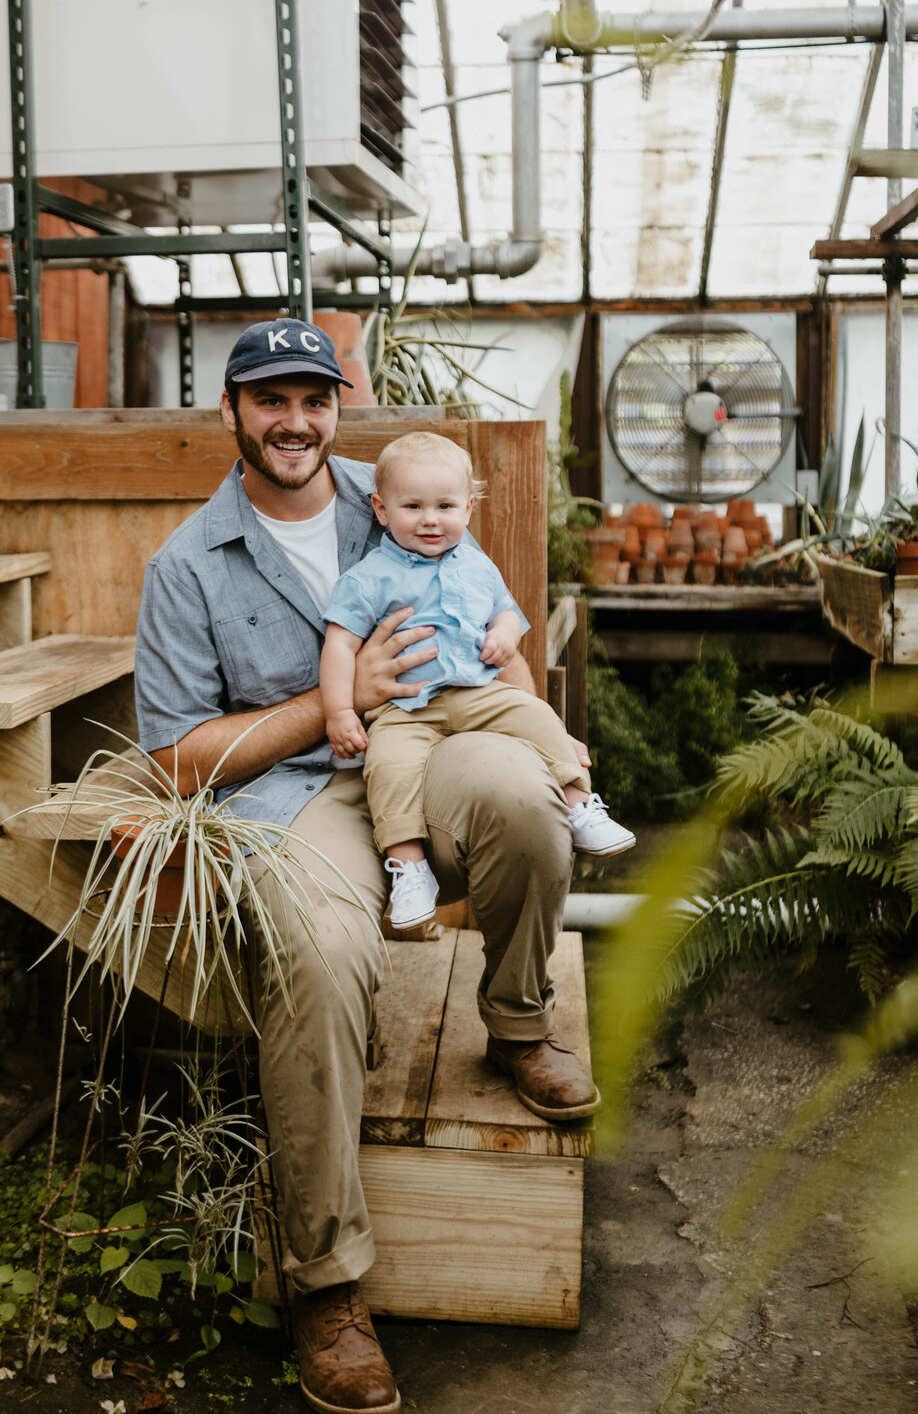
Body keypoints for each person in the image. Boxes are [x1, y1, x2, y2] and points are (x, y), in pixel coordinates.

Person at [134, 318, 600, 1414]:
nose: (295, 422)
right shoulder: (186, 566)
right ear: (234, 413)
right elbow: (175, 760)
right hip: (296, 798)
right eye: (270, 401)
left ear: (337, 407)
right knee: (316, 947)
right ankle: (328, 1283)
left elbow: (494, 619)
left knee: (529, 807)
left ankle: (519, 1026)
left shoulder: (396, 492)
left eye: (314, 399)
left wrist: (517, 684)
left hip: (434, 753)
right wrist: (329, 703)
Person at [319, 430, 635, 931]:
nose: (430, 519)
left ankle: (579, 805)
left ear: (467, 509)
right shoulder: (369, 576)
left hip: (478, 694)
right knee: (387, 766)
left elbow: (504, 611)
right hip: (405, 710)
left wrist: (505, 636)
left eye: (444, 506)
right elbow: (339, 645)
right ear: (381, 510)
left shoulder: (476, 564)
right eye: (413, 506)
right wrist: (338, 711)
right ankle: (410, 867)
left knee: (535, 714)